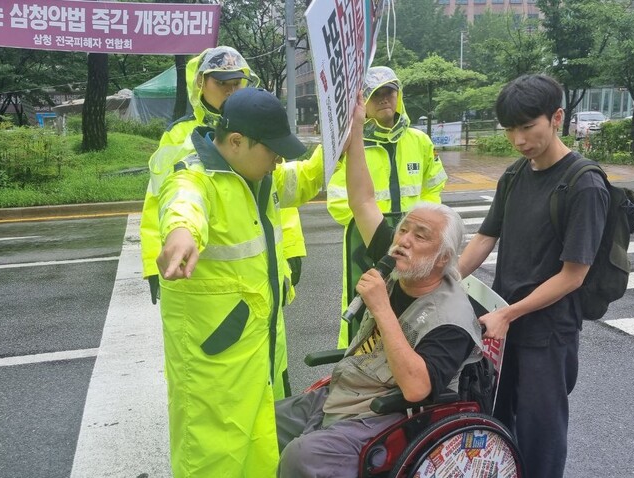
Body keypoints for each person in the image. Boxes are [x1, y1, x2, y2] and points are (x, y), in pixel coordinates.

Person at [275, 94, 482, 477]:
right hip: (347, 391)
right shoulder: (402, 263)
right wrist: (354, 131)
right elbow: (363, 200)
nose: (403, 239)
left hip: (388, 415)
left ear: (442, 258)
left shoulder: (451, 318)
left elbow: (418, 388)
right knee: (260, 425)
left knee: (301, 457)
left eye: (420, 235)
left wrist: (382, 309)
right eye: (404, 228)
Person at [156, 87, 323, 477]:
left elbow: (304, 181)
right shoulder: (196, 179)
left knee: (261, 445)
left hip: (257, 346)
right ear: (236, 142)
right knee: (215, 456)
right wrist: (181, 233)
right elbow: (183, 205)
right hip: (215, 360)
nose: (279, 159)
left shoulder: (258, 176)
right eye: (272, 150)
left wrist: (339, 143)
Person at [458, 74, 609, 478]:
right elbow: (484, 238)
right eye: (510, 129)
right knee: (498, 420)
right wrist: (443, 280)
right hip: (504, 323)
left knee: (541, 434)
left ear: (556, 117)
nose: (519, 139)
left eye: (528, 127)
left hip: (547, 330)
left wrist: (509, 315)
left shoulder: (584, 184)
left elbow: (573, 275)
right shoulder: (514, 175)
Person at [140, 45, 308, 399]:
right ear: (201, 83)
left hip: (260, 285)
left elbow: (279, 194)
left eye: (238, 82)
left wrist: (291, 250)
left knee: (267, 379)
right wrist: (160, 255)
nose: (232, 89)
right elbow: (175, 197)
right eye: (223, 83)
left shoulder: (257, 122)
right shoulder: (182, 138)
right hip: (207, 286)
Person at [316, 66, 448, 348]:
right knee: (364, 306)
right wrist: (380, 234)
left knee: (417, 306)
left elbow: (434, 187)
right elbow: (340, 201)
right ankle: (355, 363)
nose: (384, 99)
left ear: (398, 94)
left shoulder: (419, 141)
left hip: (416, 241)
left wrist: (425, 228)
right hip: (367, 241)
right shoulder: (354, 145)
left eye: (389, 92)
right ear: (364, 103)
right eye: (375, 95)